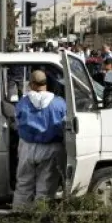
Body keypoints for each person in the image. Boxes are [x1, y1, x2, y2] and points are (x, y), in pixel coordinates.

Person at [12, 70, 67, 207]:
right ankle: (40, 220)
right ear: (46, 83)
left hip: (27, 147)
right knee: (46, 188)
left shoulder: (22, 103)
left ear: (31, 84)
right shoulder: (59, 103)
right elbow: (66, 125)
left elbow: (16, 122)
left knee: (23, 185)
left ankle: (19, 217)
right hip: (51, 148)